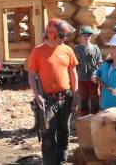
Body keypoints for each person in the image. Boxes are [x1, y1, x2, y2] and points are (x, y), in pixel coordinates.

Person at [27, 19, 78, 165]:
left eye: (65, 36)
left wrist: (76, 96)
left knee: (64, 132)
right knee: (48, 134)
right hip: (47, 99)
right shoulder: (38, 51)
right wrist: (37, 96)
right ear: (51, 34)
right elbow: (31, 74)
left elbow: (73, 73)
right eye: (61, 36)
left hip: (66, 98)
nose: (64, 39)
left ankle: (62, 161)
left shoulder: (68, 50)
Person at [74, 26, 102, 116]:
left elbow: (99, 62)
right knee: (83, 99)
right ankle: (84, 118)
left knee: (95, 98)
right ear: (80, 36)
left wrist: (98, 74)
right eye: (84, 35)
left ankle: (95, 117)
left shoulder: (95, 48)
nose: (86, 37)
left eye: (88, 35)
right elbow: (73, 64)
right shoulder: (77, 49)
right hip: (81, 78)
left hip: (93, 78)